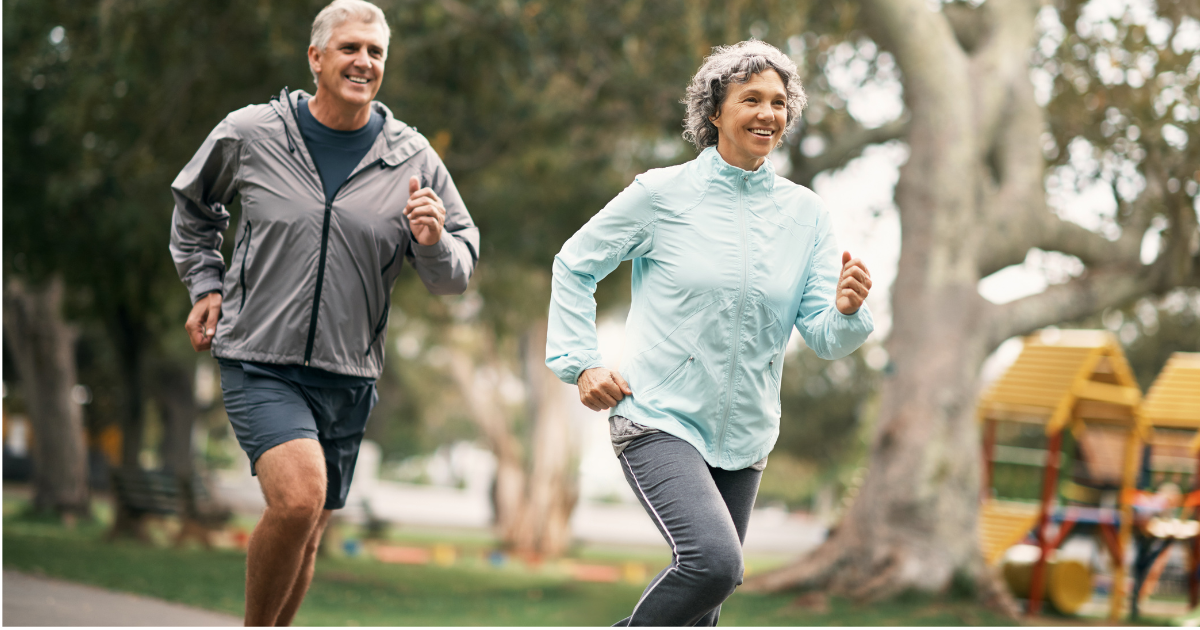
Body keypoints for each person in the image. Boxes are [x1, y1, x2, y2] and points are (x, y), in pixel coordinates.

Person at [169, 0, 478, 624]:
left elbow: (456, 274)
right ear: (316, 58)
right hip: (258, 357)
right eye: (350, 48)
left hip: (349, 373)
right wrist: (205, 283)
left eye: (376, 51)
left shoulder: (411, 157)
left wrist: (433, 241)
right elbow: (194, 207)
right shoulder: (252, 133)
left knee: (310, 528)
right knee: (297, 499)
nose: (364, 61)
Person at [546, 40, 873, 626]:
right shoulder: (661, 194)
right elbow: (574, 264)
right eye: (751, 98)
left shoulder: (807, 217)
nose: (768, 114)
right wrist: (582, 361)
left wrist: (847, 312)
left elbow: (825, 337)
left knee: (701, 613)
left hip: (746, 436)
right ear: (715, 111)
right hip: (659, 417)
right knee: (715, 564)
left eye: (779, 102)